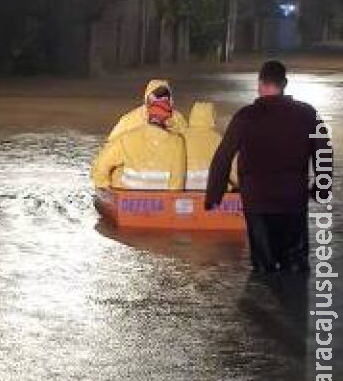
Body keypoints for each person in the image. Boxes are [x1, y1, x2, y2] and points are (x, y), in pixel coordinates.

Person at [206, 60, 333, 273]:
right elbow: (324, 154)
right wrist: (322, 190)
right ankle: (297, 304)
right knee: (296, 268)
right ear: (285, 84)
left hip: (257, 203)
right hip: (293, 201)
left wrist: (214, 195)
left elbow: (223, 157)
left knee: (263, 271)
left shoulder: (245, 116)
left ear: (260, 84)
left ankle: (266, 303)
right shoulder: (308, 114)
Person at [93, 98, 187, 191]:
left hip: (128, 197)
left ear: (147, 115)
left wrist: (104, 187)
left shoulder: (127, 138)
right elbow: (177, 182)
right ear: (168, 119)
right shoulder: (177, 142)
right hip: (163, 198)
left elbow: (101, 165)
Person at [108, 79, 188, 141]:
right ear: (148, 98)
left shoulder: (178, 118)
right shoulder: (127, 120)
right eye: (158, 96)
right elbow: (111, 143)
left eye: (165, 96)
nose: (162, 100)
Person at [183, 102, 236, 191]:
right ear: (212, 118)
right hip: (212, 192)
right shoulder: (218, 140)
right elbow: (233, 173)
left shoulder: (181, 137)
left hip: (184, 191)